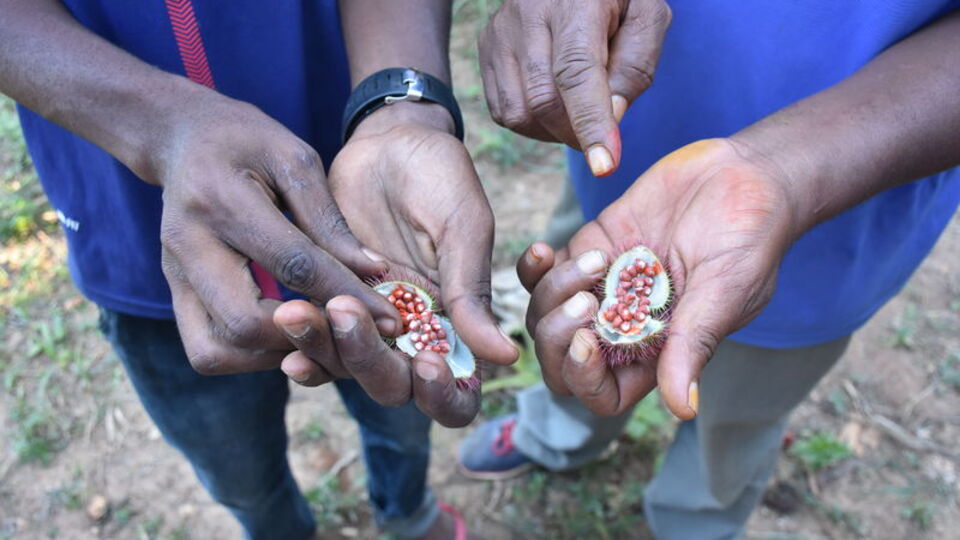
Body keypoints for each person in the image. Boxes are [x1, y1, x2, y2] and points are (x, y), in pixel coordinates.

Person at [0, 1, 518, 538]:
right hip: (139, 224)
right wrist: (157, 122)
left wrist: (398, 104)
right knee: (240, 472)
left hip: (361, 203)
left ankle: (406, 511)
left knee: (403, 412)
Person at [459, 1, 960, 537]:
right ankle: (556, 434)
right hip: (626, 178)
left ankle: (697, 519)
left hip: (842, 212)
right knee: (574, 340)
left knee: (739, 419)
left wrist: (786, 172)